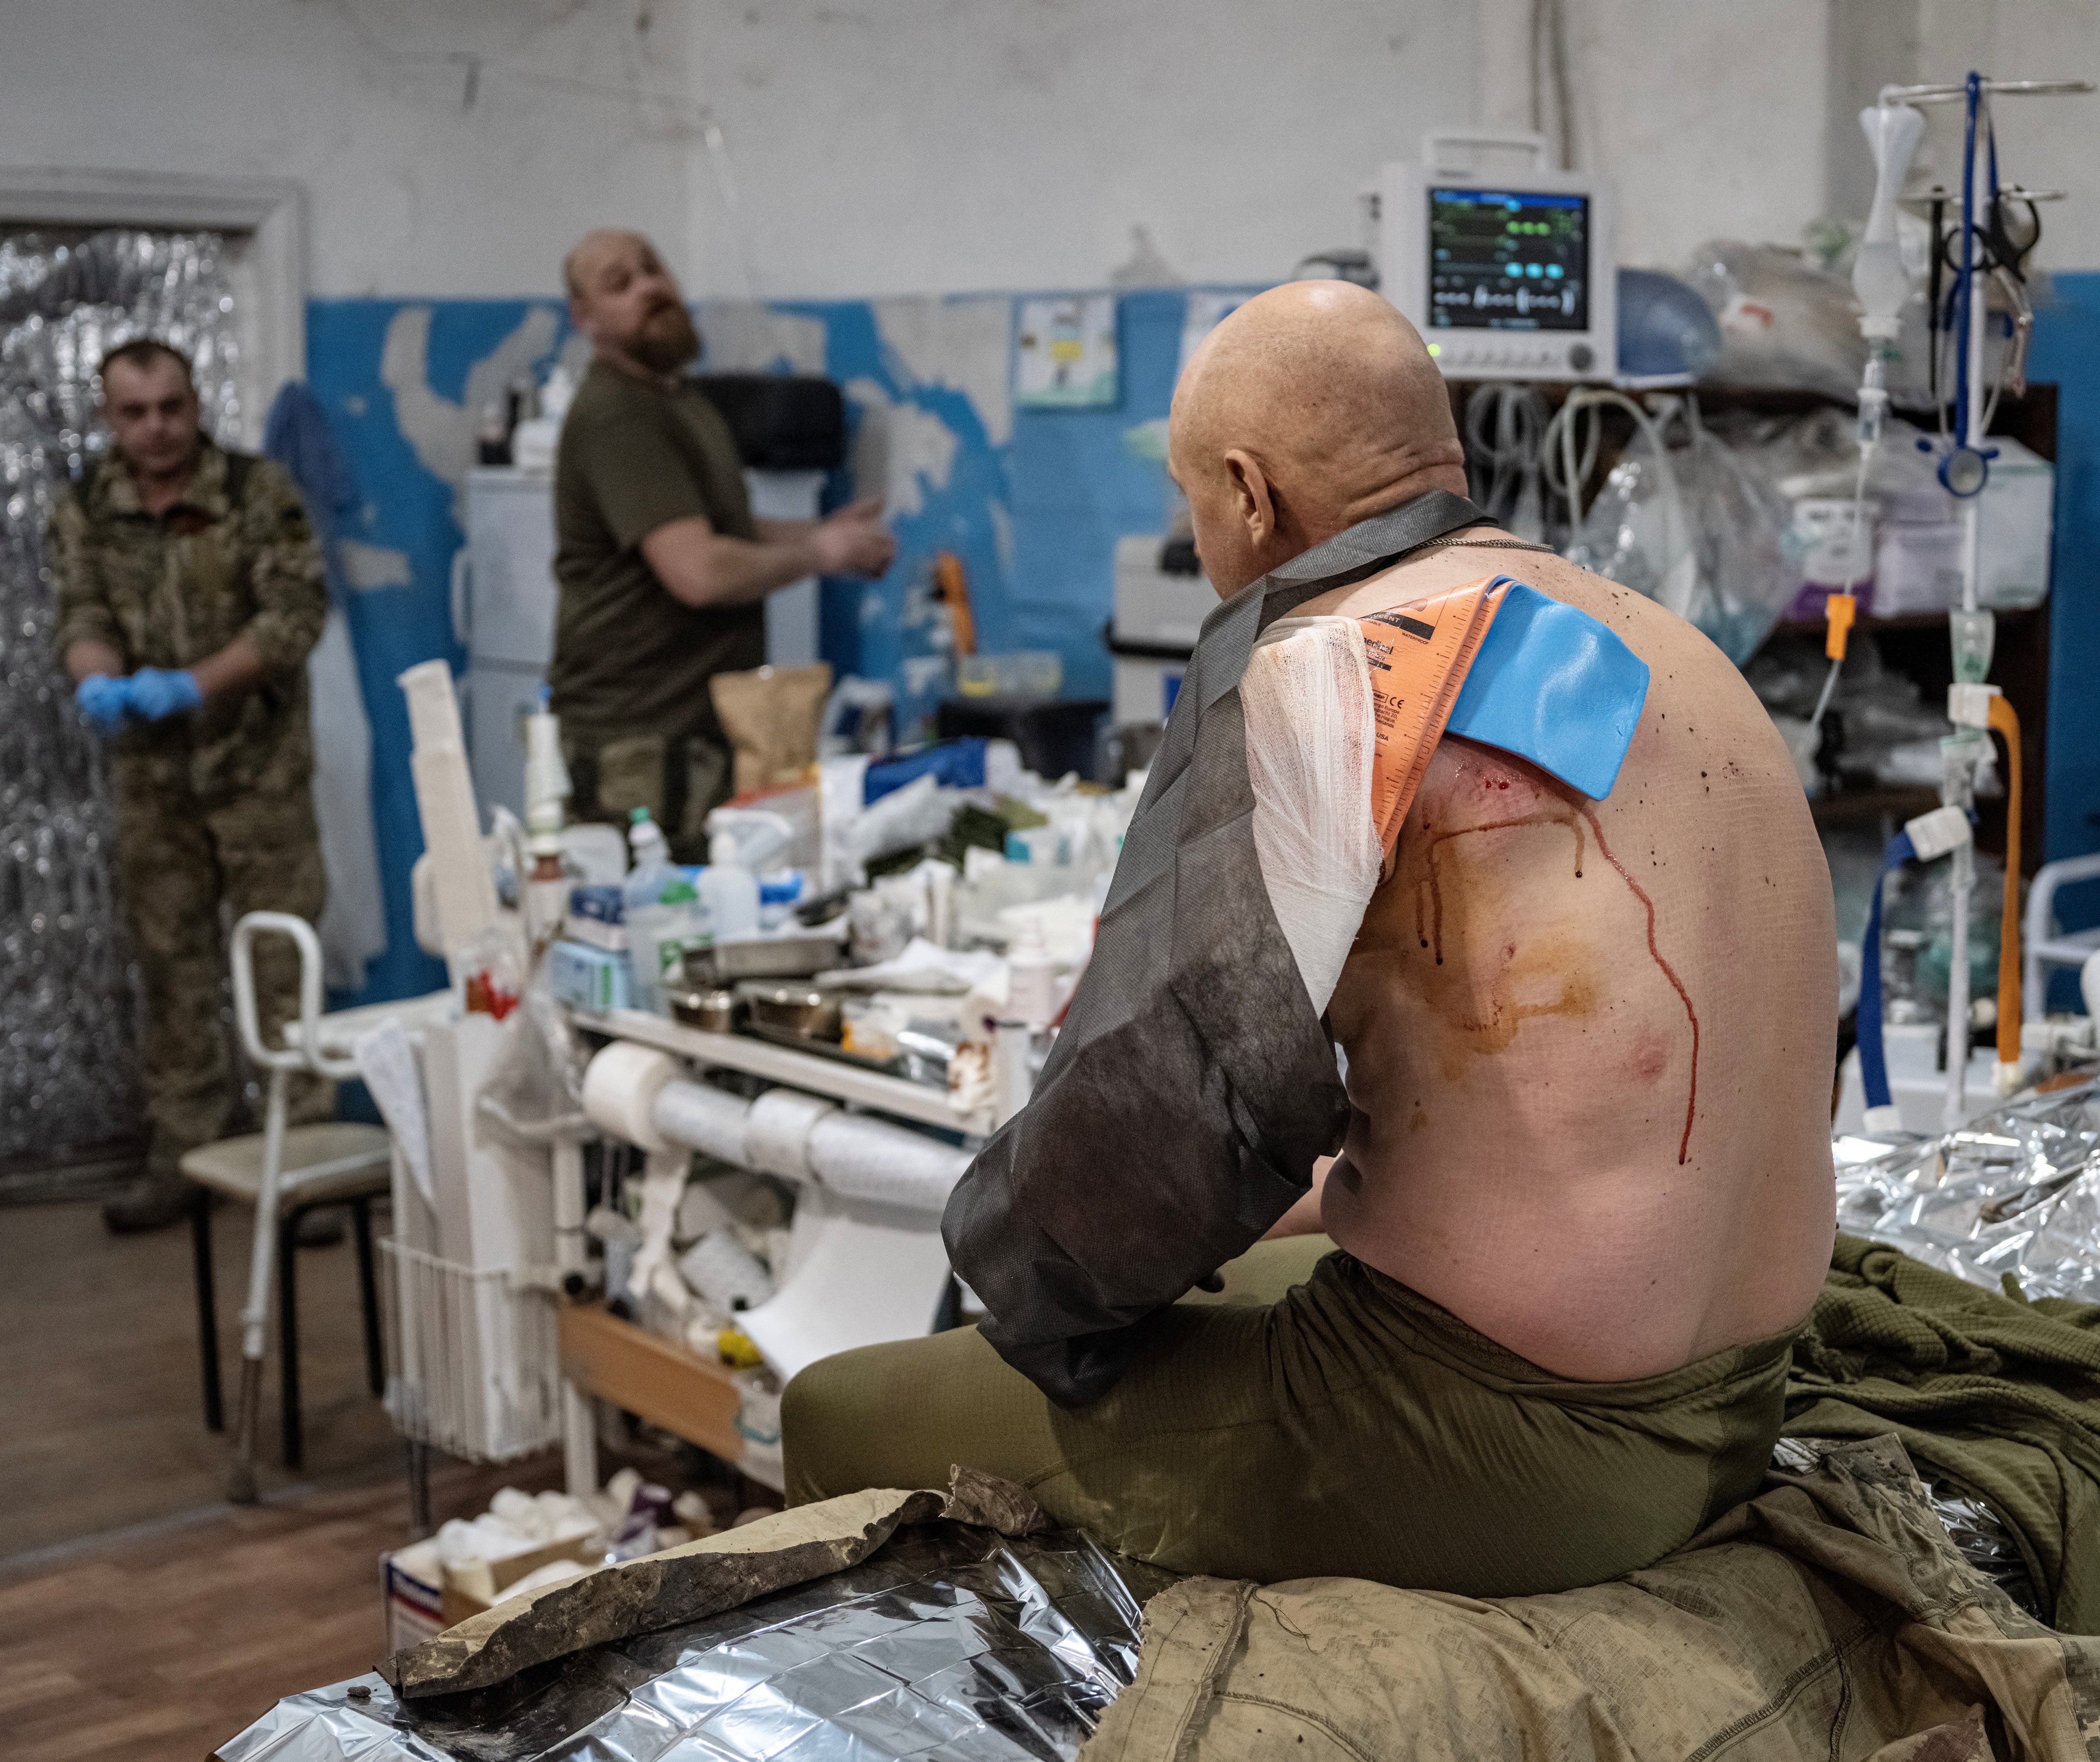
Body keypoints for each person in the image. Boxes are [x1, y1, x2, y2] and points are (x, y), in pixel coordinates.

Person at [780, 283, 1837, 1597]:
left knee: (838, 1408)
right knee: (1280, 1236)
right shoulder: (1668, 646)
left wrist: (1006, 1257)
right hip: (1741, 1394)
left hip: (1527, 1447)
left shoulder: (1336, 666)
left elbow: (1151, 1142)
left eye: (1192, 504)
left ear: (1246, 493)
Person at [51, 339, 335, 1234]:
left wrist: (192, 684)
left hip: (256, 769)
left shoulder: (257, 493)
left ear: (196, 403)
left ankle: (309, 1158)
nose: (157, 428)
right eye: (135, 413)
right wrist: (97, 678)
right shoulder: (87, 506)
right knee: (172, 963)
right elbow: (84, 611)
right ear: (110, 417)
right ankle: (185, 1155)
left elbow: (294, 618)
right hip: (154, 778)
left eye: (171, 407)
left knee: (281, 960)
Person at [550, 229, 894, 857]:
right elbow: (699, 570)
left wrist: (831, 537)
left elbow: (719, 525)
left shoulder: (679, 400)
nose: (650, 287)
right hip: (640, 745)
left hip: (700, 732)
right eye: (620, 284)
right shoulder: (617, 415)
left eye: (653, 268)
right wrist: (817, 555)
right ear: (585, 318)